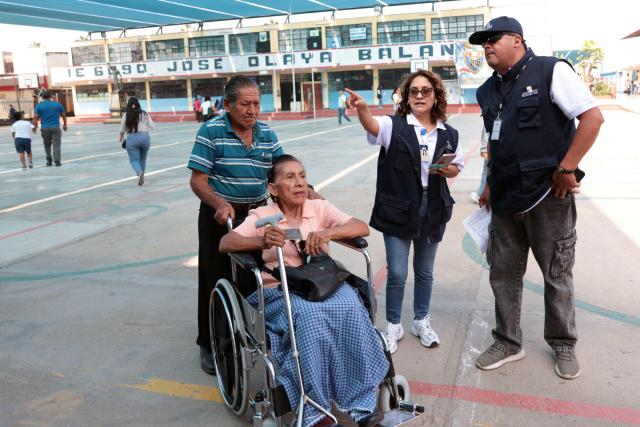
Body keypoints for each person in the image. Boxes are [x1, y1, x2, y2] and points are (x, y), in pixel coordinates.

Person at [469, 16, 604, 380]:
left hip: (548, 196)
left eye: (492, 39)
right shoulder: (487, 91)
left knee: (556, 274)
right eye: (483, 42)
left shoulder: (550, 71)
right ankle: (508, 341)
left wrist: (568, 167)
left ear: (517, 40)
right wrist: (487, 185)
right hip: (505, 200)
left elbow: (592, 118)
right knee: (503, 275)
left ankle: (563, 343)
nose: (486, 46)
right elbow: (493, 142)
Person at [219, 154, 387, 427]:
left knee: (352, 307)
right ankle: (315, 409)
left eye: (302, 176)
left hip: (322, 282)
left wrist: (329, 234)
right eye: (289, 177)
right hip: (281, 287)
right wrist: (261, 240)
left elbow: (361, 227)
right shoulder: (263, 216)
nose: (299, 183)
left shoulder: (318, 208)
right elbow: (226, 241)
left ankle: (361, 402)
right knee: (310, 319)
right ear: (273, 189)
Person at [345, 69, 464, 354]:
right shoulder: (394, 126)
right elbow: (372, 126)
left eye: (426, 91)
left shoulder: (449, 133)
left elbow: (456, 167)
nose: (419, 95)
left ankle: (421, 321)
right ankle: (393, 324)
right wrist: (363, 110)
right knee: (397, 272)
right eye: (414, 91)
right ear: (406, 96)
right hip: (399, 209)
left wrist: (449, 170)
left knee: (425, 272)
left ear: (436, 96)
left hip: (433, 207)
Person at [187, 76, 285, 376]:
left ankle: (250, 334)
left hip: (255, 217)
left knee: (253, 278)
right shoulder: (211, 131)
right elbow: (198, 180)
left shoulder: (266, 133)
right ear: (227, 105)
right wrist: (219, 204)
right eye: (245, 104)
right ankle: (209, 342)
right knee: (215, 278)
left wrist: (309, 192)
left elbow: (282, 170)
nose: (252, 110)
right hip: (220, 216)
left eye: (256, 103)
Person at [119, 97, 155, 186]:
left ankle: (139, 173)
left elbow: (122, 129)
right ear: (138, 104)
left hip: (132, 138)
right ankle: (142, 174)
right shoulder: (145, 114)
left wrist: (121, 137)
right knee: (143, 159)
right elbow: (153, 126)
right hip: (145, 138)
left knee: (134, 159)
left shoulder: (126, 115)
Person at [33, 91, 67, 167]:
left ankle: (49, 161)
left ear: (42, 97)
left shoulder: (39, 106)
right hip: (55, 127)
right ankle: (57, 161)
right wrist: (65, 125)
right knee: (56, 145)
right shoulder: (57, 104)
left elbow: (35, 118)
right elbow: (64, 115)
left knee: (47, 145)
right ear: (51, 96)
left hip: (45, 128)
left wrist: (34, 128)